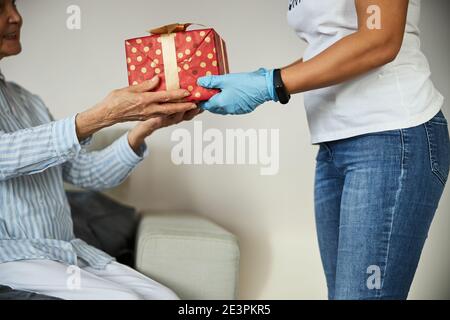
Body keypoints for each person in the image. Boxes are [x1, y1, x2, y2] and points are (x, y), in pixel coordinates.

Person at [198, 0, 450, 299]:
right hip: (334, 145)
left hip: (390, 137)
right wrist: (261, 79)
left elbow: (379, 39)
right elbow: (328, 48)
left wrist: (272, 84)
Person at [0, 0, 201, 299]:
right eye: (1, 8)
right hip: (14, 256)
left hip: (64, 247)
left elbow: (84, 172)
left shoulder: (28, 100)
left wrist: (142, 130)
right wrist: (102, 115)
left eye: (15, 5)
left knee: (167, 297)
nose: (16, 17)